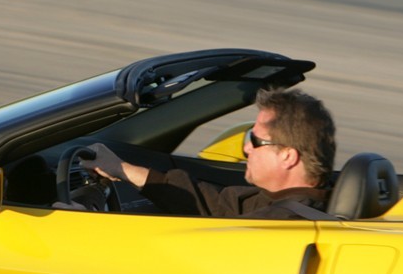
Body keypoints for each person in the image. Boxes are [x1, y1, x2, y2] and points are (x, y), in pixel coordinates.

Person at [80, 86, 335, 219]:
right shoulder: (278, 200)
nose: (246, 147)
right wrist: (122, 169)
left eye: (255, 140)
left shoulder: (280, 223)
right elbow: (215, 204)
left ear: (288, 156)